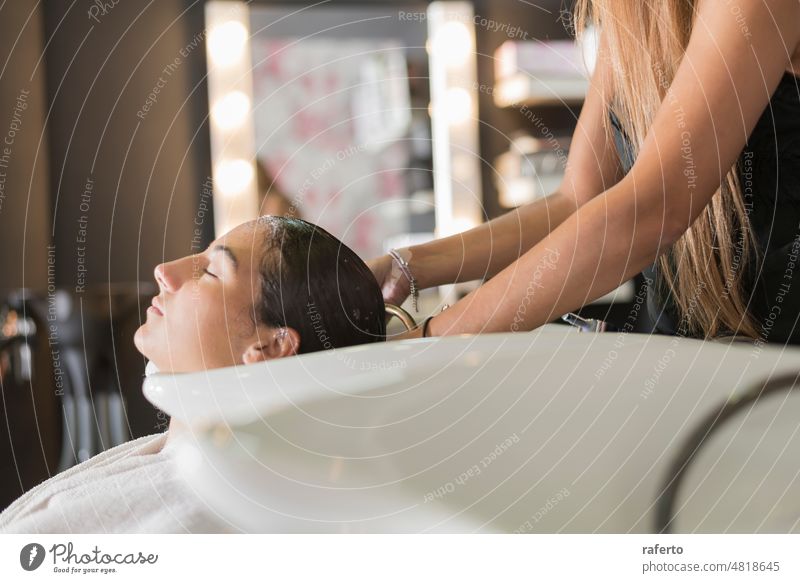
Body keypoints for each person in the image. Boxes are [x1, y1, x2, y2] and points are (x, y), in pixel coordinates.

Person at [370, 0, 800, 344]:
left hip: (774, 368)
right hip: (681, 359)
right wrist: (406, 267)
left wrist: (430, 339)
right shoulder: (632, 16)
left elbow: (650, 209)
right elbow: (576, 200)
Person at [0, 215, 386, 533]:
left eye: (212, 272)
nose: (164, 271)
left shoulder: (193, 528)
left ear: (270, 346)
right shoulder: (175, 472)